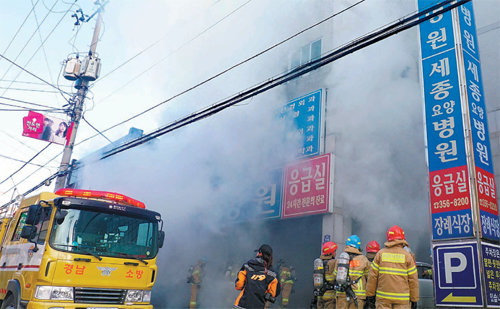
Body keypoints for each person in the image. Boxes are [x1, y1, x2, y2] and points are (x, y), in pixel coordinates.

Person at [365, 226, 419, 309]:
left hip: (383, 299)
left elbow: (372, 277)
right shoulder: (407, 256)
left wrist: (370, 296)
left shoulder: (380, 254)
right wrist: (414, 299)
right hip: (402, 300)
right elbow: (413, 279)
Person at [234, 244, 281, 309]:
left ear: (260, 254)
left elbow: (238, 286)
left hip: (241, 305)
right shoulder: (273, 274)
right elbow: (274, 293)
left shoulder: (247, 266)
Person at [334, 235, 370, 309]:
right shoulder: (363, 259)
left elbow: (335, 274)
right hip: (357, 295)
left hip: (342, 293)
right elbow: (369, 277)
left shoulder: (340, 258)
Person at [312, 241, 338, 309]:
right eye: (335, 251)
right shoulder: (334, 262)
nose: (335, 253)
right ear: (331, 252)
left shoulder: (319, 262)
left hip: (320, 294)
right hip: (330, 294)